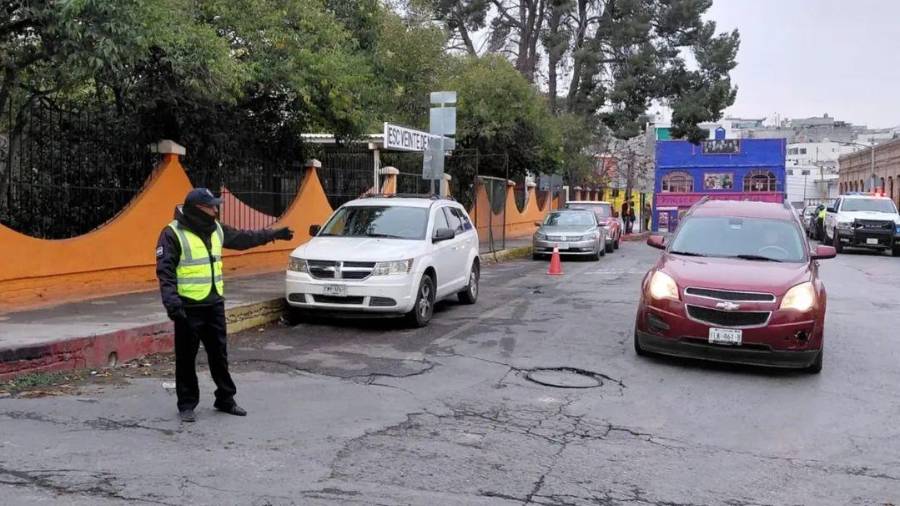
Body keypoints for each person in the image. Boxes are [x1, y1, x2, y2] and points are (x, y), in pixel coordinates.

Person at [156, 188, 294, 422]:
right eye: (212, 206)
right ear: (199, 209)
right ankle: (187, 404)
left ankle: (225, 399)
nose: (216, 210)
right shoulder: (172, 234)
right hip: (187, 308)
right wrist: (172, 304)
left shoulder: (216, 229)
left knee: (219, 355)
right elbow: (165, 271)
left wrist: (273, 234)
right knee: (186, 358)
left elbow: (243, 238)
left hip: (214, 304)